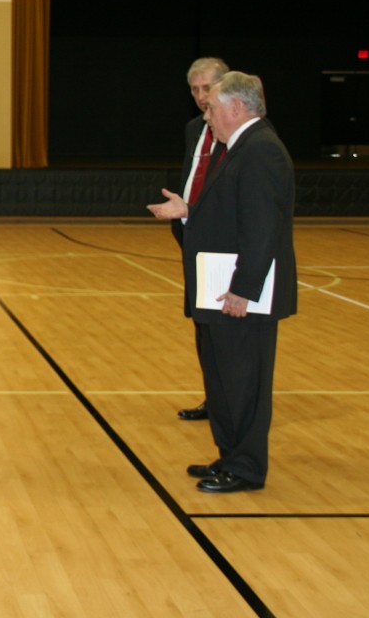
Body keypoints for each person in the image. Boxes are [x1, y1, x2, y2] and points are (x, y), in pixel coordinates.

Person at [149, 71, 297, 493]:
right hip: (220, 286)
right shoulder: (238, 148)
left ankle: (247, 467)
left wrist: (243, 291)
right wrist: (188, 210)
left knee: (244, 383)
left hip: (241, 294)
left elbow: (262, 230)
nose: (206, 114)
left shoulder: (261, 151)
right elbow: (228, 213)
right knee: (224, 380)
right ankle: (229, 457)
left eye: (211, 106)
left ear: (236, 107)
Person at [151, 57, 230, 422]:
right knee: (202, 324)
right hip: (192, 238)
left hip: (223, 245)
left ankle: (230, 403)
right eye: (195, 90)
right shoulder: (193, 129)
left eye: (207, 88)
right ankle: (214, 399)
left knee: (223, 329)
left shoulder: (237, 133)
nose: (201, 97)